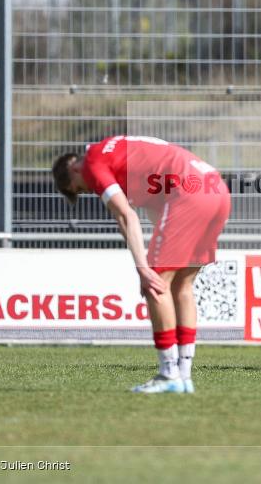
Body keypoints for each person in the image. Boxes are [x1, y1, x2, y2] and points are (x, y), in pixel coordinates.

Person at [52, 135, 231, 393]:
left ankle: (169, 374)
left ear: (73, 169)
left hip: (188, 194)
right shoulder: (121, 152)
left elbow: (126, 216)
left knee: (156, 285)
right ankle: (184, 375)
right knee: (181, 286)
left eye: (78, 189)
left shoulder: (92, 163)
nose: (88, 191)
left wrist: (144, 269)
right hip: (216, 190)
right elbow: (153, 211)